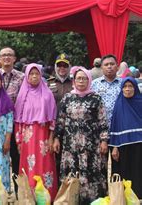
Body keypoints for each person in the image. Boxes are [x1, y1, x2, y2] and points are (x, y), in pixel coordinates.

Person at [53, 67, 109, 203]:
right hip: (70, 145)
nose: (81, 81)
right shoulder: (67, 98)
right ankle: (71, 199)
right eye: (79, 78)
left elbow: (102, 120)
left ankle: (91, 200)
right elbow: (60, 120)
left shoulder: (96, 98)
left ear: (89, 80)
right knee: (72, 172)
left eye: (84, 78)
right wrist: (56, 138)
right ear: (74, 80)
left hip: (91, 145)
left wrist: (104, 140)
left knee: (91, 173)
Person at [14, 63, 57, 199]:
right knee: (28, 167)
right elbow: (18, 121)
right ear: (26, 76)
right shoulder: (22, 95)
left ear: (40, 75)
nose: (34, 76)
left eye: (36, 73)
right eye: (31, 74)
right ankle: (29, 196)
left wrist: (51, 138)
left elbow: (52, 119)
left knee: (44, 166)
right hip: (27, 140)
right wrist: (19, 140)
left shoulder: (47, 94)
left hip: (43, 138)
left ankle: (46, 196)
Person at [109, 77, 142, 196]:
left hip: (139, 146)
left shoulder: (140, 102)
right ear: (122, 89)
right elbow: (115, 127)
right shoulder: (119, 105)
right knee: (125, 174)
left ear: (135, 88)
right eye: (125, 87)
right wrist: (114, 147)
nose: (127, 89)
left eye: (130, 86)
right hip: (123, 147)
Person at [0, 47, 25, 179]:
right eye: (3, 55)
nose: (6, 58)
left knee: (16, 156)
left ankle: (18, 189)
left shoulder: (21, 77)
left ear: (14, 59)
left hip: (15, 122)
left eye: (9, 55)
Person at [91, 54, 121, 127]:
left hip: (120, 125)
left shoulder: (123, 84)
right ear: (101, 67)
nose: (109, 66)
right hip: (100, 126)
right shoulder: (94, 84)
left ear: (117, 66)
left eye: (112, 64)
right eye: (106, 64)